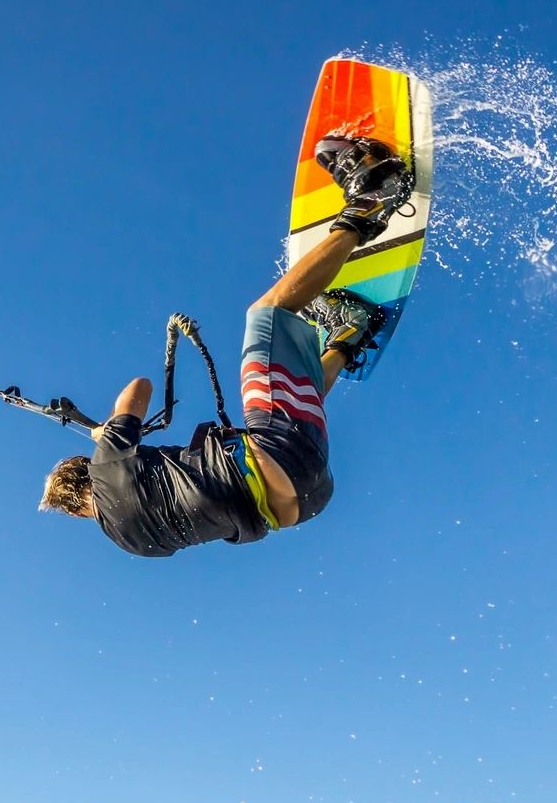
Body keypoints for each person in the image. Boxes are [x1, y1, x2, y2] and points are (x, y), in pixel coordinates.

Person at [39, 136, 412, 556]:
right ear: (83, 473)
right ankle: (369, 203)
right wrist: (110, 432)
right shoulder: (106, 468)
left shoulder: (135, 544)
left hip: (306, 499)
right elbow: (139, 390)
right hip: (279, 452)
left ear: (77, 513)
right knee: (267, 314)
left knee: (281, 401)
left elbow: (186, 500)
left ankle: (349, 336)